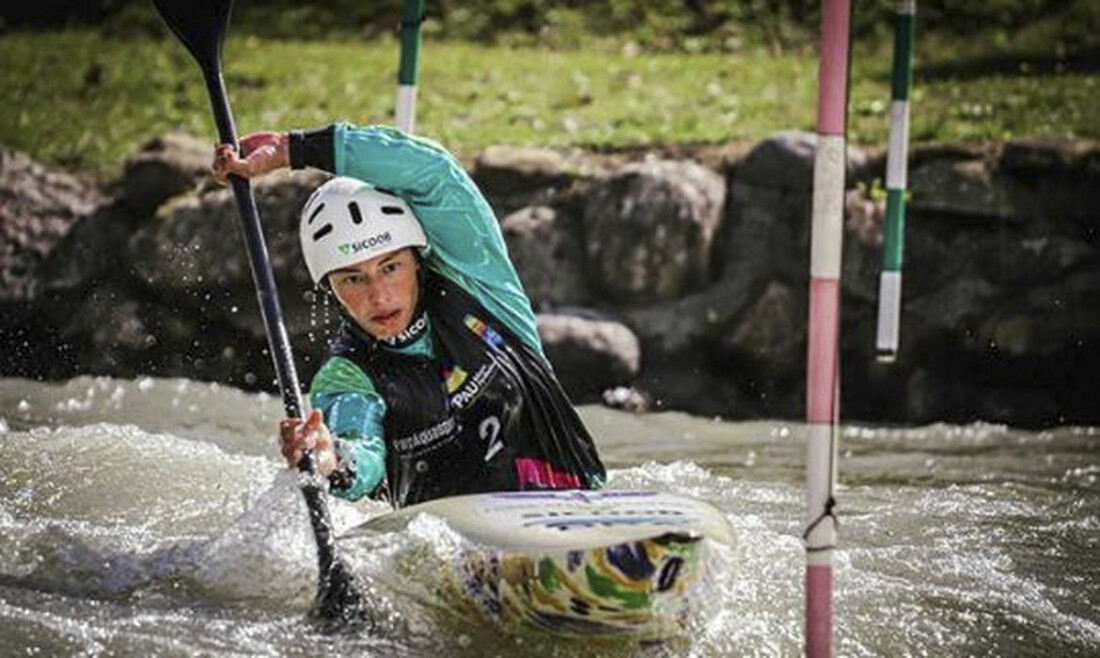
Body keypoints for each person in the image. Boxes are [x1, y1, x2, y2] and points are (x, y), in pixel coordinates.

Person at [213, 123, 606, 508]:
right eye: (353, 278)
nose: (379, 296)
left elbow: (433, 171)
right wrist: (330, 458)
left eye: (390, 267)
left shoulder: (481, 285)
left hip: (581, 507)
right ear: (330, 288)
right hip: (462, 556)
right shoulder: (349, 374)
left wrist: (292, 150)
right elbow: (362, 454)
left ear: (417, 260)